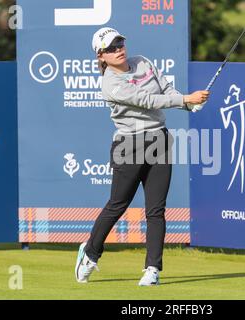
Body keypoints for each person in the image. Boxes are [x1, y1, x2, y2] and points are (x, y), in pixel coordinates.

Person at [75, 27, 209, 286]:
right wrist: (186, 99)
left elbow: (165, 88)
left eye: (120, 43)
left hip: (159, 139)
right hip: (129, 145)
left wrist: (188, 103)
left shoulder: (143, 62)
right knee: (117, 205)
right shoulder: (110, 84)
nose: (119, 49)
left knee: (156, 210)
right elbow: (146, 99)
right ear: (101, 56)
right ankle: (90, 254)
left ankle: (152, 269)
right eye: (112, 47)